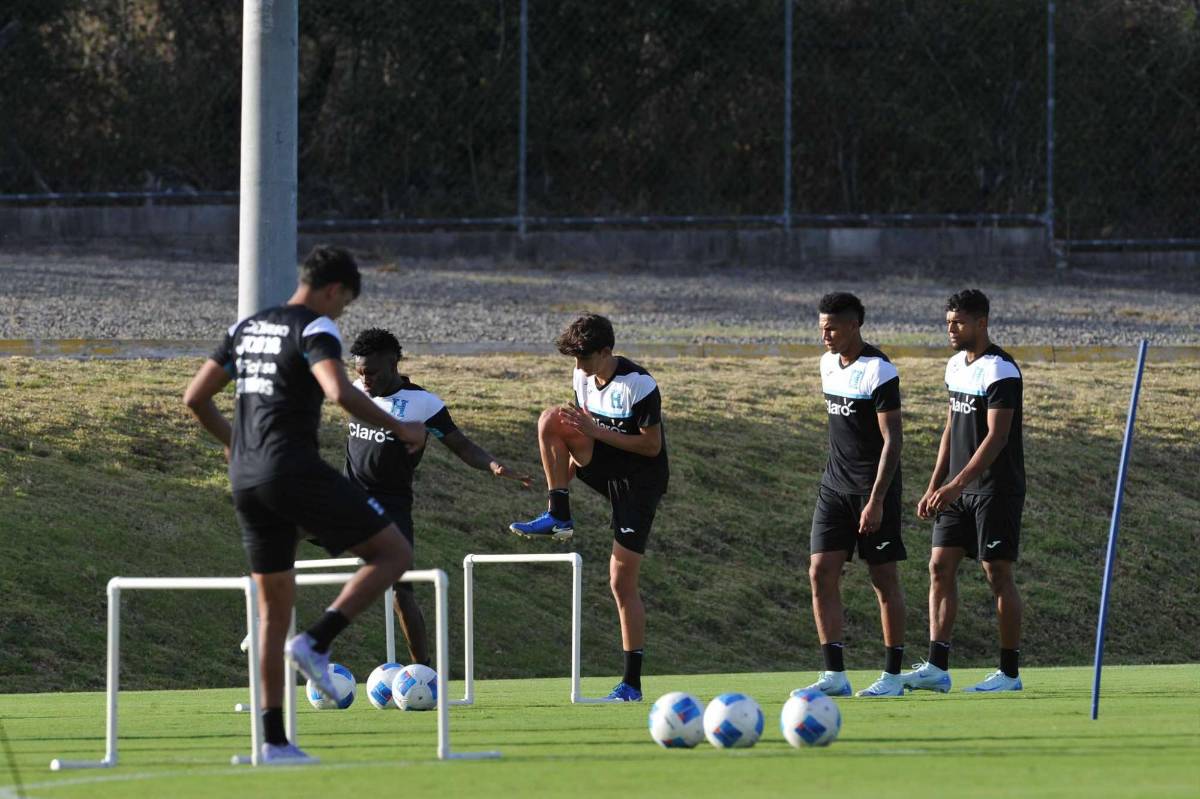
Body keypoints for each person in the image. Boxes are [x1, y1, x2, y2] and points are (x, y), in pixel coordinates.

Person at [183, 246, 426, 764]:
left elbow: (195, 398)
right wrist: (400, 426)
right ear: (334, 290)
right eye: (344, 304)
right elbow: (338, 391)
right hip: (293, 469)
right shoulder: (315, 327)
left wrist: (236, 446)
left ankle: (273, 743)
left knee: (273, 614)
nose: (341, 314)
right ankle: (318, 640)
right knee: (394, 554)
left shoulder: (245, 328)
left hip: (246, 479)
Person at [343, 327, 531, 666]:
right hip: (349, 498)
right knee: (286, 524)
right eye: (359, 372)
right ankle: (264, 612)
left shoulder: (423, 404)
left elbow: (461, 445)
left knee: (401, 591)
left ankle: (422, 672)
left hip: (390, 508)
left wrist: (494, 465)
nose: (364, 379)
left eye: (371, 372)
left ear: (393, 364)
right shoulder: (357, 389)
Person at [509, 314, 668, 702]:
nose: (578, 366)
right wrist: (560, 485)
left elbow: (652, 447)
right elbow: (578, 433)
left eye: (584, 358)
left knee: (621, 582)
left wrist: (597, 431)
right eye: (574, 359)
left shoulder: (639, 384)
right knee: (552, 419)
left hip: (639, 484)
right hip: (603, 465)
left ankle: (631, 684)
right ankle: (558, 514)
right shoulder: (581, 377)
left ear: (606, 351)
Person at [905, 288, 1026, 693]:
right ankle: (937, 668)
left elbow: (997, 437)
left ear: (981, 323)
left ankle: (1009, 674)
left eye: (958, 322)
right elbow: (950, 428)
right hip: (956, 491)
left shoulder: (1001, 370)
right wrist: (935, 484)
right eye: (948, 323)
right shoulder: (955, 366)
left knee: (997, 573)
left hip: (994, 488)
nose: (951, 329)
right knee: (939, 567)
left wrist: (956, 485)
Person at [799, 292, 907, 698]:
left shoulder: (879, 370)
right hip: (834, 488)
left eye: (832, 328)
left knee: (883, 578)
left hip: (873, 490)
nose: (824, 335)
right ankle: (835, 676)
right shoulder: (827, 363)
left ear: (853, 326)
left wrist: (876, 499)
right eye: (821, 328)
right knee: (820, 572)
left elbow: (893, 440)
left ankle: (892, 677)